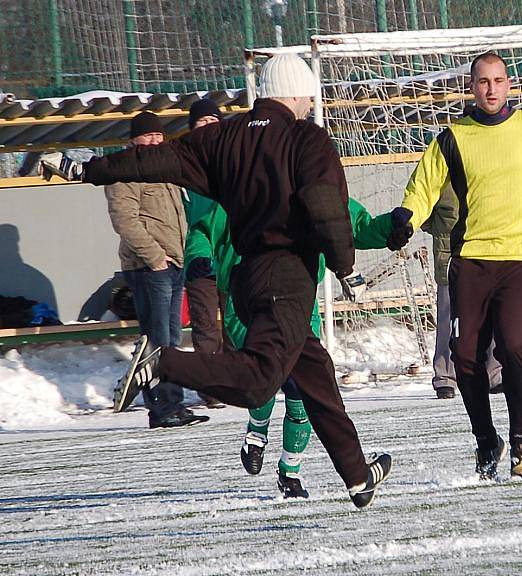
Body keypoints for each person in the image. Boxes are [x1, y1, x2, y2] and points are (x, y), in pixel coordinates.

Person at [79, 54, 392, 508]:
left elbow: (154, 160)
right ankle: (163, 362)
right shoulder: (307, 137)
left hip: (247, 277)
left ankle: (358, 476)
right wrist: (346, 268)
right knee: (259, 382)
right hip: (287, 273)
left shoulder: (224, 136)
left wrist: (88, 169)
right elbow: (325, 204)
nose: (309, 104)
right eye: (307, 96)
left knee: (316, 374)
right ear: (297, 92)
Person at [387, 52, 522, 481]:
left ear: (509, 85)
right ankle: (486, 440)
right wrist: (407, 217)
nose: (491, 88)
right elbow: (423, 186)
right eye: (482, 81)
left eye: (498, 80)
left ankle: (521, 443)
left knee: (513, 346)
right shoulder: (453, 138)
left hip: (521, 259)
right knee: (465, 358)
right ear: (472, 87)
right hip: (472, 261)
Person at [201, 195, 392, 498]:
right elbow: (202, 230)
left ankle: (290, 474)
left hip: (300, 300)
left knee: (301, 390)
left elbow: (354, 222)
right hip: (249, 299)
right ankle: (256, 433)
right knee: (267, 374)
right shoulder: (242, 185)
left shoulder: (310, 185)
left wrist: (389, 228)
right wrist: (200, 261)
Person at [105, 111, 209, 429]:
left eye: (158, 135)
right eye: (147, 135)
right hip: (150, 267)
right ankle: (163, 407)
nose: (153, 140)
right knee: (159, 338)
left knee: (169, 337)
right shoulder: (123, 171)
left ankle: (171, 403)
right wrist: (155, 258)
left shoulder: (163, 167)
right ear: (133, 139)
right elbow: (125, 221)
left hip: (173, 263)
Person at [420, 185, 502, 400]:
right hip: (450, 259)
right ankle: (445, 378)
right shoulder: (439, 170)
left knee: (490, 314)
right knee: (448, 319)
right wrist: (443, 229)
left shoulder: (487, 165)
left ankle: (494, 374)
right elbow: (422, 211)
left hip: (487, 255)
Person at [182, 99, 227, 409]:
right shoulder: (183, 165)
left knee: (240, 317)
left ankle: (242, 378)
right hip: (199, 255)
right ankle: (212, 389)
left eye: (214, 121)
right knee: (206, 323)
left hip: (233, 253)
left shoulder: (237, 159)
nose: (209, 127)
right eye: (202, 122)